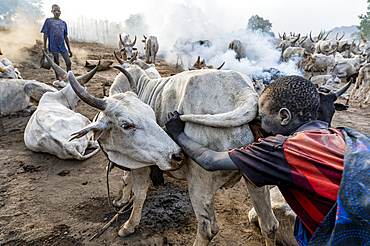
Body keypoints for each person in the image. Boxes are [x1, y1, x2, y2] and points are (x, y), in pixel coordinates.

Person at [165, 75, 370, 246]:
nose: (258, 123)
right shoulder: (348, 136)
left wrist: (178, 133)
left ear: (284, 117)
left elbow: (208, 160)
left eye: (261, 117)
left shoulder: (282, 150)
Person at [41, 4, 72, 82]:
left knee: (68, 62)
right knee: (56, 63)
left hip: (62, 45)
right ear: (52, 12)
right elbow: (45, 34)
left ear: (60, 12)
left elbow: (65, 36)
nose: (57, 12)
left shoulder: (63, 23)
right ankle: (58, 79)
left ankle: (69, 79)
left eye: (58, 11)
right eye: (55, 11)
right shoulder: (49, 21)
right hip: (53, 45)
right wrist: (45, 46)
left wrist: (69, 49)